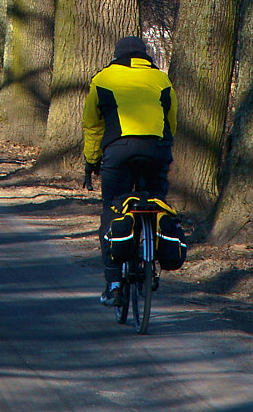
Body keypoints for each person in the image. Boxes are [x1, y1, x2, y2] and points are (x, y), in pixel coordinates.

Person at [82, 36, 177, 304]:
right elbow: (171, 122)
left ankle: (114, 284)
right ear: (144, 55)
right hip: (157, 150)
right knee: (157, 203)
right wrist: (163, 149)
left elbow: (92, 125)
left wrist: (92, 159)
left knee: (113, 209)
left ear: (117, 54)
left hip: (118, 151)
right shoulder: (162, 79)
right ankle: (152, 256)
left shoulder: (103, 79)